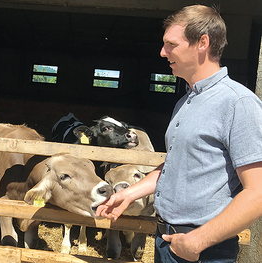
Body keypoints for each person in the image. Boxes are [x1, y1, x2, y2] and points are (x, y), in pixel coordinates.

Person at [96, 5, 262, 263]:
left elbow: (257, 193)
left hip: (203, 250)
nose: (163, 52)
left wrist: (198, 240)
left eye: (171, 44)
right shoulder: (186, 101)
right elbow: (176, 166)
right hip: (167, 241)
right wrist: (128, 194)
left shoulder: (238, 103)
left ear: (202, 43)